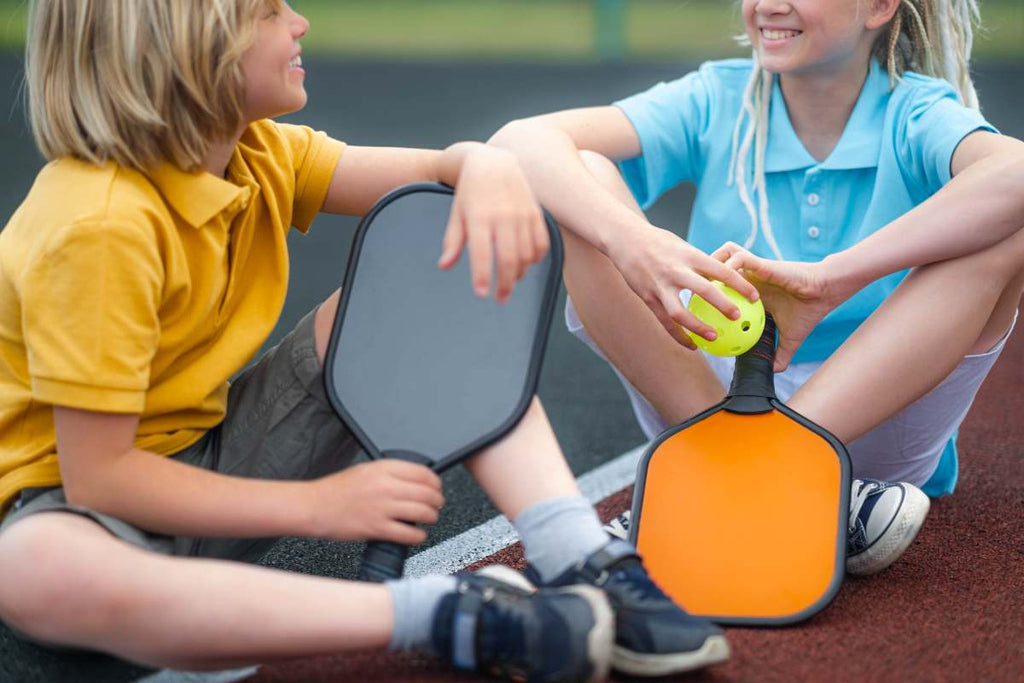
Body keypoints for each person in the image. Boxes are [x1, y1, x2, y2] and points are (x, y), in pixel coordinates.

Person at [0, 1, 731, 680]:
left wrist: (484, 163)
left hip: (215, 461)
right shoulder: (98, 225)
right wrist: (320, 508)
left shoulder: (260, 155)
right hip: (77, 510)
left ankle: (578, 553)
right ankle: (445, 613)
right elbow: (103, 478)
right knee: (33, 567)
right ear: (186, 46)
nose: (302, 21)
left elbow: (432, 174)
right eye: (269, 11)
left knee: (434, 254)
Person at [490, 0, 1023, 578]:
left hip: (874, 422)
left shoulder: (914, 111)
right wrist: (633, 243)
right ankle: (762, 469)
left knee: (1009, 225)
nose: (768, 4)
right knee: (579, 181)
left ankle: (752, 468)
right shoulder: (716, 99)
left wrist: (835, 277)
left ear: (878, 8)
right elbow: (517, 143)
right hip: (710, 403)